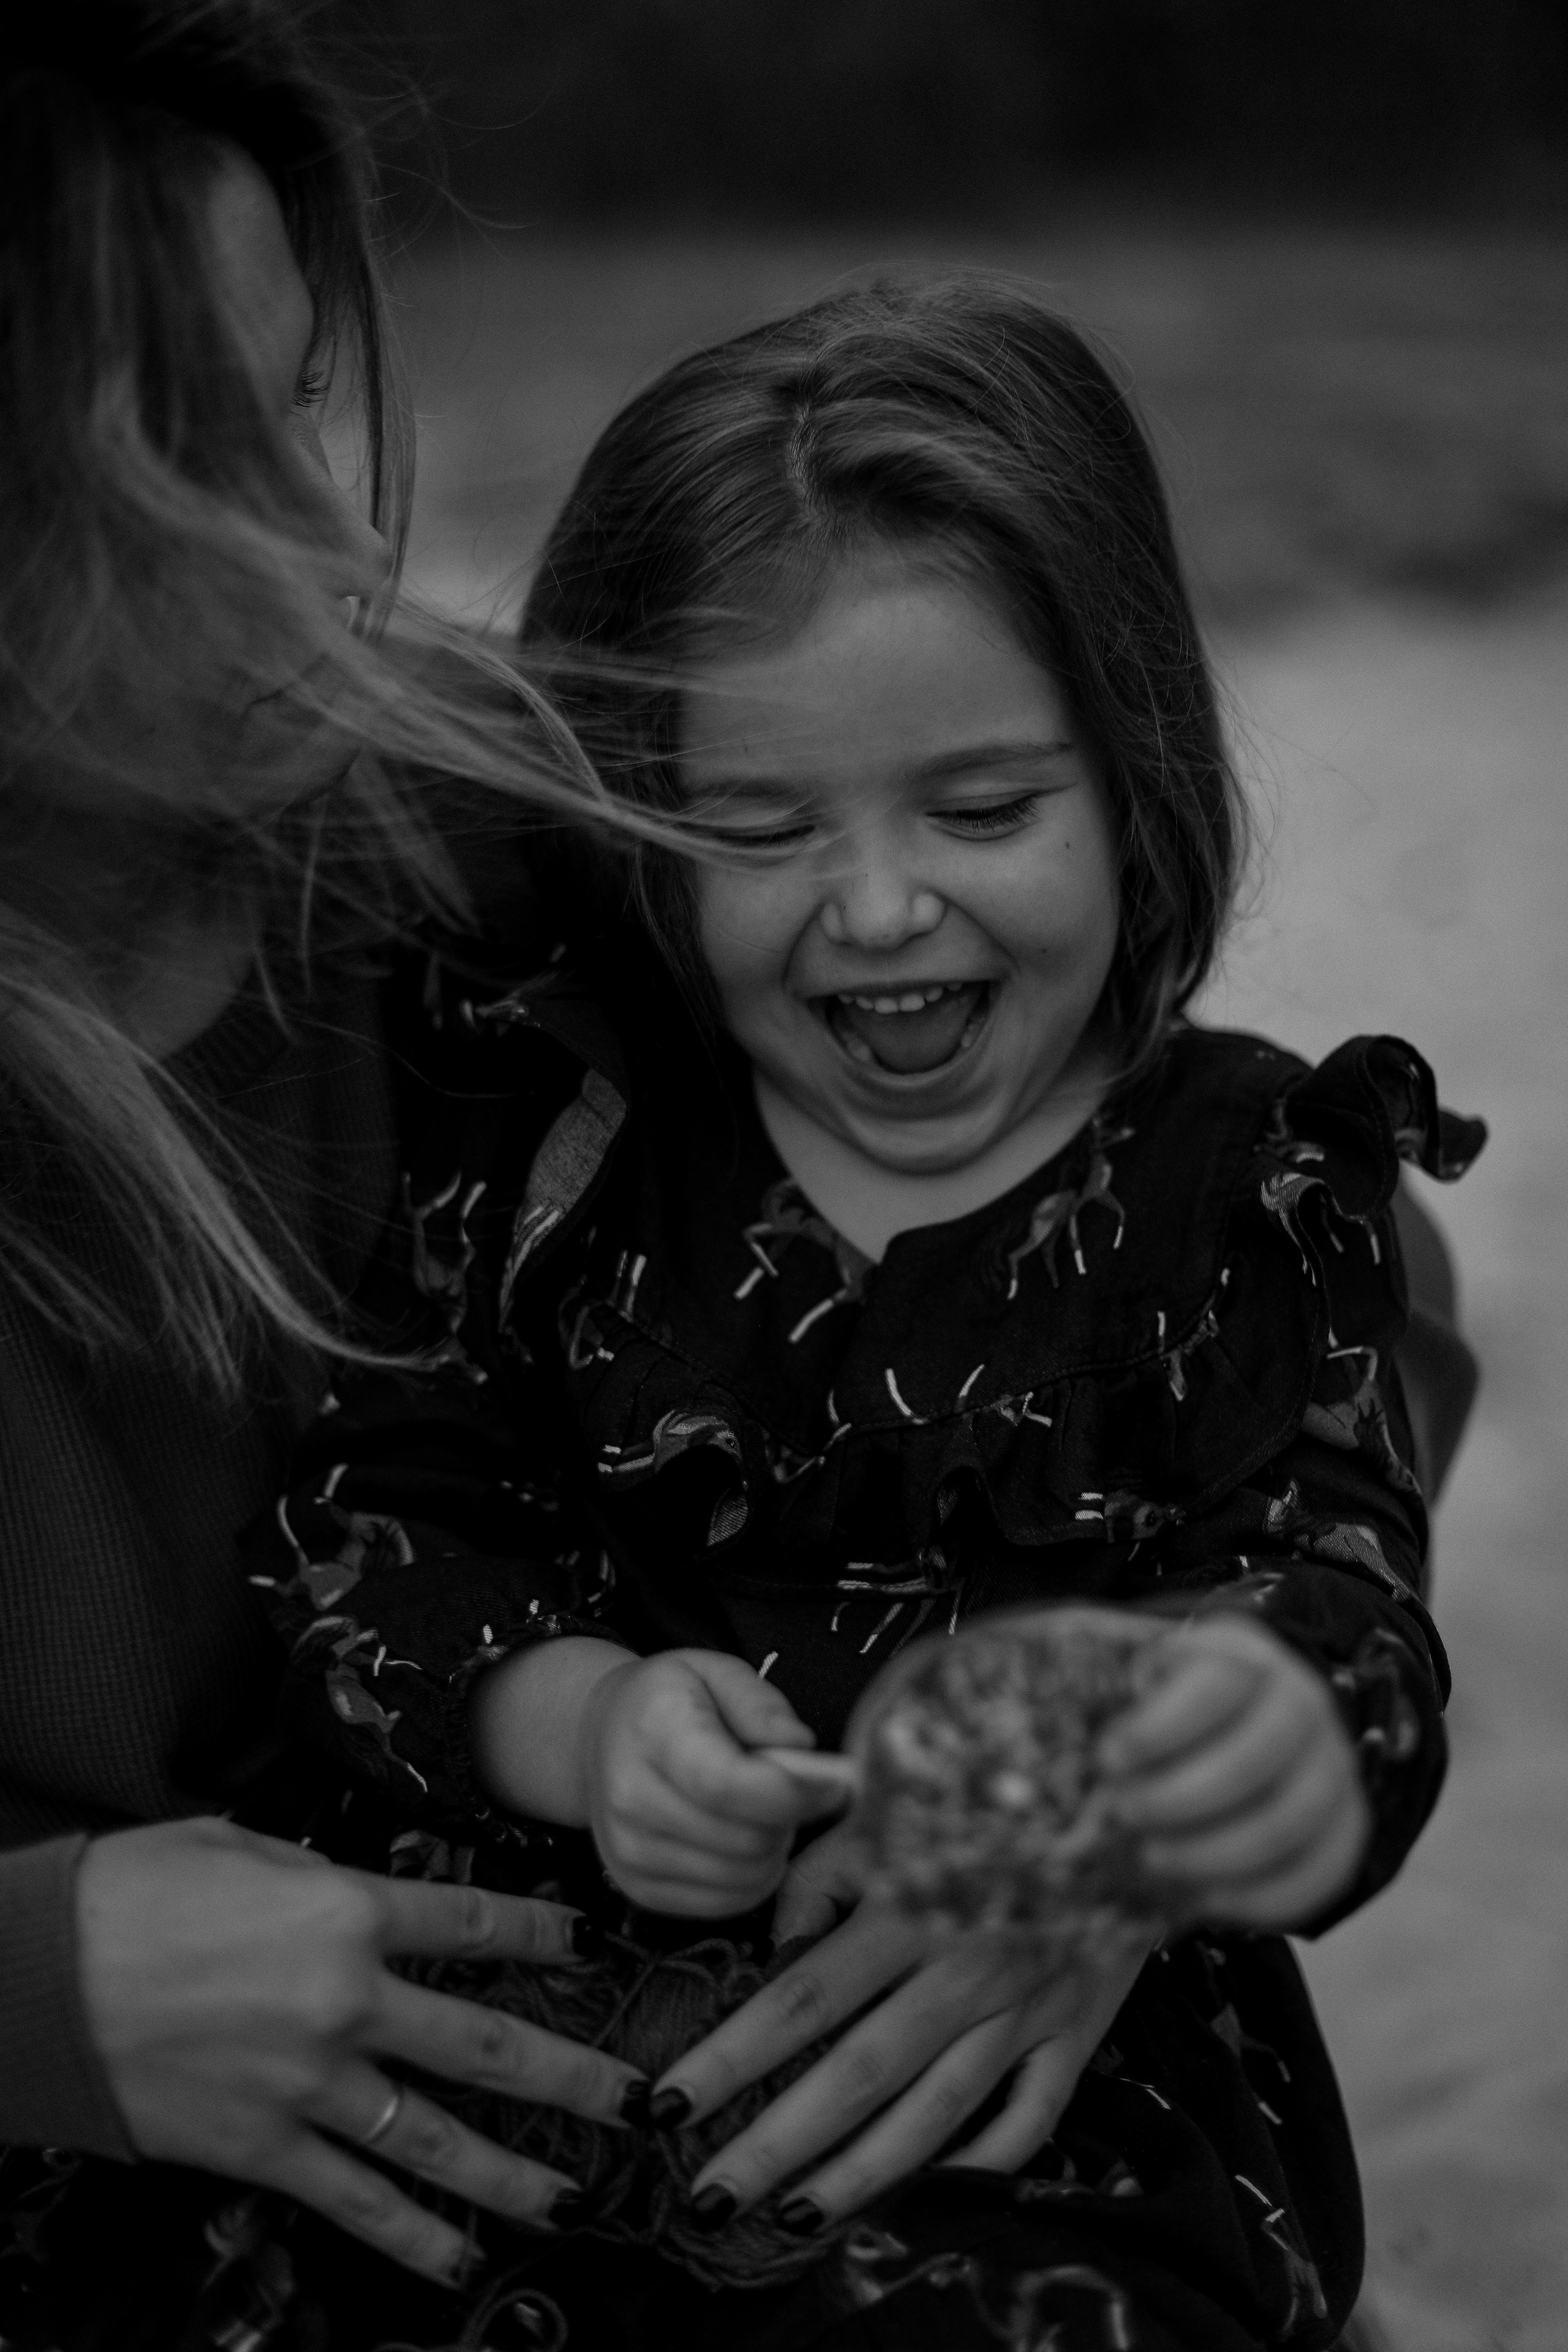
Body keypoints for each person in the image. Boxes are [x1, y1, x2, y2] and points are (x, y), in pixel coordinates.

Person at [253, 277, 1484, 2350]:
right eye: (761, 829)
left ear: (1138, 771)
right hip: (535, 2077)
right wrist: (589, 1722)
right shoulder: (566, 1137)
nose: (885, 903)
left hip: (1025, 2121)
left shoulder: (1246, 1187)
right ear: (642, 839)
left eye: (984, 810)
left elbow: (1337, 1572)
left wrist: (1250, 1737)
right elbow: (379, 1521)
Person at [0, 8, 655, 2342]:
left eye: (297, 399)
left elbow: (1286, 1236)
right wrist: (33, 1989)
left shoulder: (473, 803)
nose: (323, 562)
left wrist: (1088, 1807)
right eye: (157, 469)